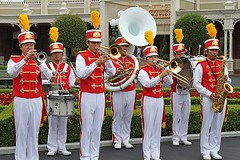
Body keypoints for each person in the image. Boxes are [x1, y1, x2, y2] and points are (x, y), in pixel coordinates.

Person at [7, 14, 52, 160]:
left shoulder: (39, 60)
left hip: (36, 99)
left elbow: (49, 76)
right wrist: (24, 60)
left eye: (32, 44)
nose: (30, 47)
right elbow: (12, 73)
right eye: (27, 45)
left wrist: (41, 64)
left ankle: (33, 157)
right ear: (21, 46)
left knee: (34, 131)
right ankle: (20, 157)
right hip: (21, 99)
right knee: (21, 131)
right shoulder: (14, 59)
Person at [76, 28, 116, 160]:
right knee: (87, 127)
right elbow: (82, 74)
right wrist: (96, 63)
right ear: (87, 43)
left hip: (100, 95)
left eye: (98, 43)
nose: (97, 46)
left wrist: (108, 60)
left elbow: (112, 73)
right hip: (87, 94)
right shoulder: (81, 56)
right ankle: (85, 156)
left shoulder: (101, 56)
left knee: (97, 127)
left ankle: (94, 155)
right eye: (93, 43)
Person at [193, 38, 231, 160]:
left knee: (217, 125)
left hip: (220, 97)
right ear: (206, 51)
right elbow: (196, 84)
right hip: (208, 98)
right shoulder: (201, 65)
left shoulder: (222, 64)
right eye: (212, 50)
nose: (215, 52)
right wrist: (209, 94)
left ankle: (214, 149)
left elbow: (228, 81)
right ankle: (205, 150)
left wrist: (226, 79)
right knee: (206, 124)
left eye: (216, 50)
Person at [46, 27, 78, 156]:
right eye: (54, 53)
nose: (57, 55)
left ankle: (62, 146)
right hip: (52, 96)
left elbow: (71, 83)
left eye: (59, 52)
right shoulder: (47, 67)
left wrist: (76, 82)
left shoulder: (68, 67)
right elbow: (41, 82)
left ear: (62, 53)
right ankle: (52, 147)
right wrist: (49, 80)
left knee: (63, 123)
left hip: (64, 97)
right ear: (51, 54)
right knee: (53, 123)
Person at [138, 45, 173, 160]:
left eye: (156, 56)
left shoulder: (159, 69)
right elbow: (147, 84)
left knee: (157, 127)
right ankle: (147, 155)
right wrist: (160, 76)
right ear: (146, 58)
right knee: (148, 127)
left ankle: (156, 154)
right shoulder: (143, 71)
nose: (154, 59)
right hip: (148, 99)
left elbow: (170, 82)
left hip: (159, 99)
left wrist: (166, 71)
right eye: (151, 57)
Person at [110, 37, 136, 150]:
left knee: (127, 115)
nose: (125, 48)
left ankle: (126, 139)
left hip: (131, 90)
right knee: (118, 115)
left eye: (126, 46)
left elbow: (135, 75)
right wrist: (116, 73)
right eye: (122, 46)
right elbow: (108, 76)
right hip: (118, 90)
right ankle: (117, 139)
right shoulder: (112, 60)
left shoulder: (132, 60)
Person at [171, 43, 192, 147]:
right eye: (179, 54)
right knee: (177, 115)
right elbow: (169, 81)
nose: (181, 55)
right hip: (176, 92)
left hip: (186, 91)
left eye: (182, 53)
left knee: (185, 114)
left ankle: (183, 136)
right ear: (175, 54)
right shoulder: (171, 64)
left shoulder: (187, 63)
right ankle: (175, 136)